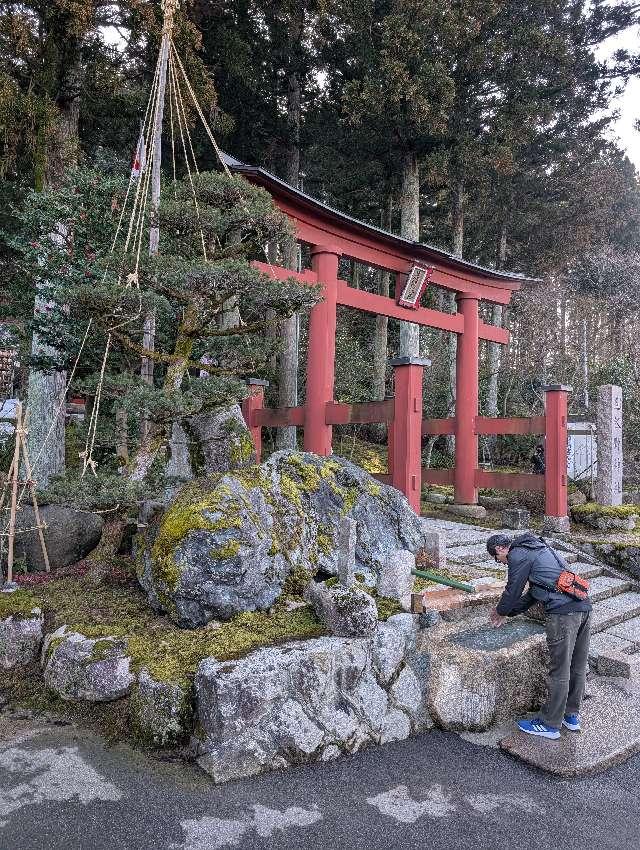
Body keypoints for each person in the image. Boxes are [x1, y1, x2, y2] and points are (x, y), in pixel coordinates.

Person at [486, 532, 592, 740]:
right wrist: (509, 612)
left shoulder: (518, 554)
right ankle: (570, 716)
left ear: (499, 549)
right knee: (577, 666)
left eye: (497, 560)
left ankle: (550, 724)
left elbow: (513, 589)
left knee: (559, 669)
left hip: (563, 614)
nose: (501, 563)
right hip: (584, 608)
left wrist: (500, 611)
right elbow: (534, 594)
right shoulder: (539, 550)